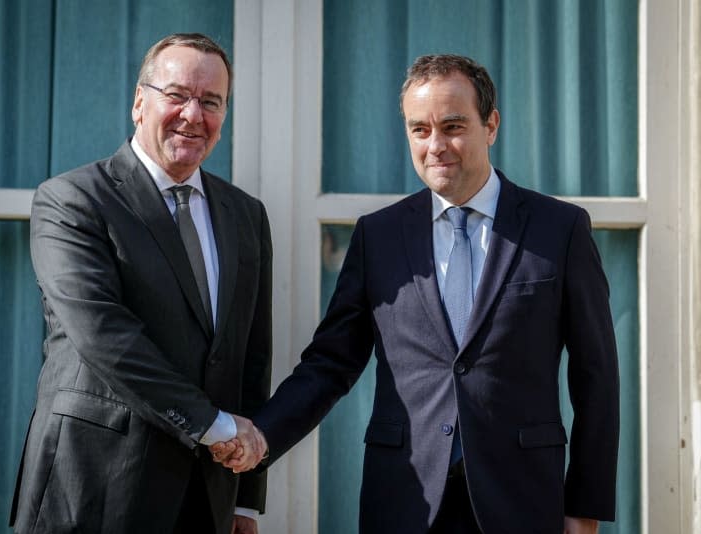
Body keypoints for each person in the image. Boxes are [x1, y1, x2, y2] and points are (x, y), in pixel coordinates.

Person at [213, 54, 619, 533]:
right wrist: (259, 437)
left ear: (491, 125)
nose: (436, 146)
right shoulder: (378, 236)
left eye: (452, 126)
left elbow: (597, 377)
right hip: (403, 500)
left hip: (524, 501)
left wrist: (584, 508)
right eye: (420, 130)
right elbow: (329, 364)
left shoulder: (560, 229)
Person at [9, 33, 271, 534]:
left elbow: (248, 357)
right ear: (138, 103)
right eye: (177, 95)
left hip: (206, 496)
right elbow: (105, 336)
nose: (194, 115)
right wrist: (213, 426)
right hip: (93, 487)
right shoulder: (72, 201)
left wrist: (245, 498)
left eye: (211, 101)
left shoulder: (246, 216)